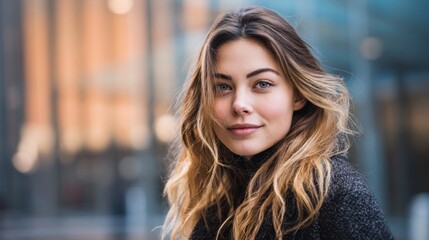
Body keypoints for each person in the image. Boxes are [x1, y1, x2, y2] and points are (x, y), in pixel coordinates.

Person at [162, 6, 393, 240]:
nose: (239, 104)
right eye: (223, 87)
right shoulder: (220, 204)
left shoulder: (335, 194)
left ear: (298, 95)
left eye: (262, 84)